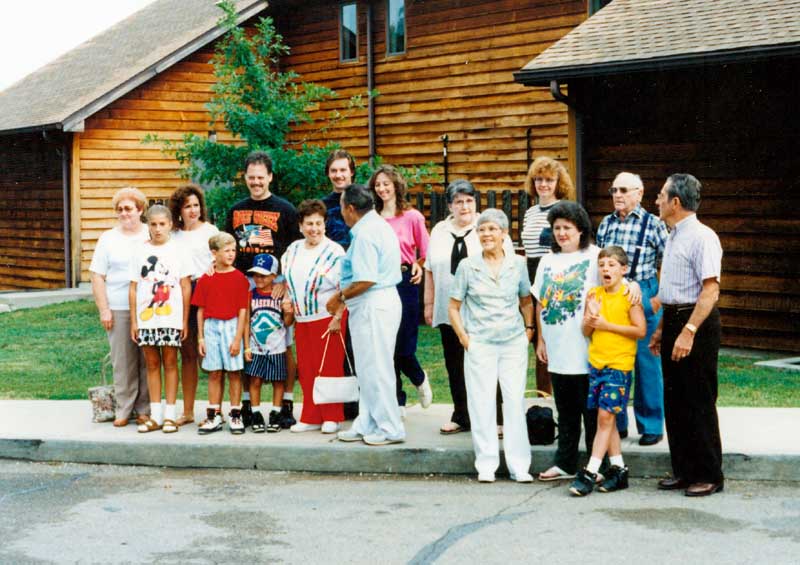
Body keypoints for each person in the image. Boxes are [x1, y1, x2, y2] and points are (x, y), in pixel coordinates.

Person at [650, 173, 724, 497]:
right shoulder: (672, 235)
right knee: (675, 400)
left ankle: (708, 474)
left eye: (661, 195)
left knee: (698, 400)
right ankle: (684, 470)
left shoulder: (702, 237)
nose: (656, 200)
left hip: (696, 323)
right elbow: (673, 291)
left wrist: (689, 331)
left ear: (675, 202)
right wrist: (663, 330)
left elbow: (710, 291)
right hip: (674, 319)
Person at [448, 209, 535, 483]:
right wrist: (465, 338)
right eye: (482, 229)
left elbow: (526, 301)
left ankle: (519, 465)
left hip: (512, 343)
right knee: (481, 402)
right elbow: (453, 307)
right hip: (480, 343)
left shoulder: (518, 264)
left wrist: (528, 331)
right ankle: (486, 464)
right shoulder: (467, 266)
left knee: (513, 401)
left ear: (503, 234)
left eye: (492, 229)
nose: (486, 234)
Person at [424, 180, 514, 435]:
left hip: (482, 312)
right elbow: (430, 269)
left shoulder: (487, 227)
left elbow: (505, 266)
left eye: (469, 201)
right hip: (447, 309)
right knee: (454, 363)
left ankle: (496, 417)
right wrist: (429, 303)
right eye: (459, 201)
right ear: (450, 205)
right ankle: (461, 414)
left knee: (485, 362)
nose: (464, 206)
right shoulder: (440, 230)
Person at [225, 150, 302, 429]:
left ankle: (286, 403)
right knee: (249, 341)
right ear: (244, 178)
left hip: (277, 282)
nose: (256, 182)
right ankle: (248, 403)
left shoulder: (285, 209)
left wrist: (286, 283)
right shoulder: (235, 210)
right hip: (247, 282)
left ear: (270, 177)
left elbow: (296, 250)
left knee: (285, 343)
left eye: (261, 177)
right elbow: (228, 249)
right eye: (251, 177)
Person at [326, 184, 404, 446]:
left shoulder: (367, 233)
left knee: (378, 368)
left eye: (341, 209)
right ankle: (368, 421)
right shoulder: (374, 226)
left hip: (374, 302)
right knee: (367, 368)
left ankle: (390, 427)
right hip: (374, 303)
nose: (341, 214)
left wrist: (339, 297)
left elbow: (366, 279)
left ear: (350, 209)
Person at [596, 172, 669, 446]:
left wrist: (658, 299)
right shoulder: (606, 225)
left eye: (624, 190)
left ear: (639, 193)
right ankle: (618, 422)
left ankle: (651, 423)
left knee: (646, 360)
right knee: (615, 359)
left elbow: (669, 263)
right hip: (613, 295)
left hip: (645, 293)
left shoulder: (653, 224)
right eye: (614, 189)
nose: (618, 195)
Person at [569, 246, 646, 496]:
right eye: (602, 265)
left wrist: (607, 324)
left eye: (612, 265)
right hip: (597, 364)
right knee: (608, 419)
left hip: (618, 365)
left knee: (604, 418)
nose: (605, 269)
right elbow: (586, 332)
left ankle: (590, 472)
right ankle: (619, 470)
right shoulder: (594, 294)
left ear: (624, 269)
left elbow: (640, 330)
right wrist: (591, 320)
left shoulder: (629, 296)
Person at [369, 164, 433, 417]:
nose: (382, 188)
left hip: (406, 282)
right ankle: (397, 401)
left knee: (404, 346)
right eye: (378, 185)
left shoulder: (412, 217)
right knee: (385, 345)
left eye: (386, 183)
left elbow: (427, 253)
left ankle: (419, 377)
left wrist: (418, 265)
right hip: (379, 283)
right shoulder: (371, 218)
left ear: (396, 185)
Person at [282, 199, 348, 434]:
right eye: (309, 223)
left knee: (329, 368)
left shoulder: (334, 251)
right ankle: (310, 415)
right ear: (300, 226)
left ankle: (332, 416)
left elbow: (345, 288)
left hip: (327, 318)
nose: (314, 229)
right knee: (308, 369)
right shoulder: (293, 249)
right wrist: (288, 298)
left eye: (318, 223)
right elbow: (290, 281)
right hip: (303, 319)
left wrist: (338, 317)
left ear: (325, 224)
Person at [89, 187, 150, 427]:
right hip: (119, 306)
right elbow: (96, 276)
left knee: (148, 360)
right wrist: (105, 309)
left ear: (140, 210)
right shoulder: (108, 238)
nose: (124, 214)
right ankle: (124, 409)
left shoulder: (150, 233)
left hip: (149, 307)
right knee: (122, 361)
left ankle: (144, 409)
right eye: (120, 209)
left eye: (129, 209)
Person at [129, 205, 192, 434]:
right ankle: (155, 415)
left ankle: (170, 415)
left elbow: (185, 287)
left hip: (171, 317)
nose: (157, 229)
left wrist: (184, 320)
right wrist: (135, 321)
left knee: (170, 362)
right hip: (147, 318)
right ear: (148, 225)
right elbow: (134, 287)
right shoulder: (139, 251)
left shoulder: (179, 251)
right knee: (152, 364)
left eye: (162, 224)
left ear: (170, 225)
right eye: (153, 224)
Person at [520, 157, 576, 395]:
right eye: (539, 179)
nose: (543, 184)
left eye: (549, 180)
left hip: (555, 277)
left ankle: (562, 396)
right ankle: (543, 397)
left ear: (558, 183)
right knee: (536, 340)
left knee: (556, 339)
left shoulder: (563, 210)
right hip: (531, 276)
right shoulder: (531, 212)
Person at [169, 184, 219, 427]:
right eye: (187, 206)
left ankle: (214, 411)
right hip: (180, 293)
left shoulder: (210, 231)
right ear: (179, 209)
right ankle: (187, 411)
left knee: (208, 353)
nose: (193, 210)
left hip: (206, 292)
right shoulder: (173, 235)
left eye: (196, 205)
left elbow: (221, 261)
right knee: (187, 354)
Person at [193, 233, 250, 435]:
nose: (231, 254)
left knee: (234, 372)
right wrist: (200, 337)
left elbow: (243, 310)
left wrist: (237, 339)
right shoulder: (206, 279)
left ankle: (235, 414)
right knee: (215, 372)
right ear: (214, 253)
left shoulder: (240, 278)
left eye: (233, 250)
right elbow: (200, 309)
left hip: (232, 326)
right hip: (211, 327)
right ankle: (214, 415)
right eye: (226, 251)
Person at [244, 254, 293, 433]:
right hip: (256, 347)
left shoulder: (280, 294)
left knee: (278, 380)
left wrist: (289, 312)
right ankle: (256, 413)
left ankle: (275, 412)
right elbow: (246, 321)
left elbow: (287, 323)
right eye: (256, 274)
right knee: (255, 379)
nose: (258, 279)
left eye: (263, 275)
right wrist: (246, 346)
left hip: (277, 347)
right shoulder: (251, 294)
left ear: (274, 276)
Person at [322, 149, 356, 249]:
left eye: (343, 170)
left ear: (352, 172)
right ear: (328, 173)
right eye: (333, 171)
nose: (338, 175)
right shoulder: (322, 206)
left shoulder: (364, 200)